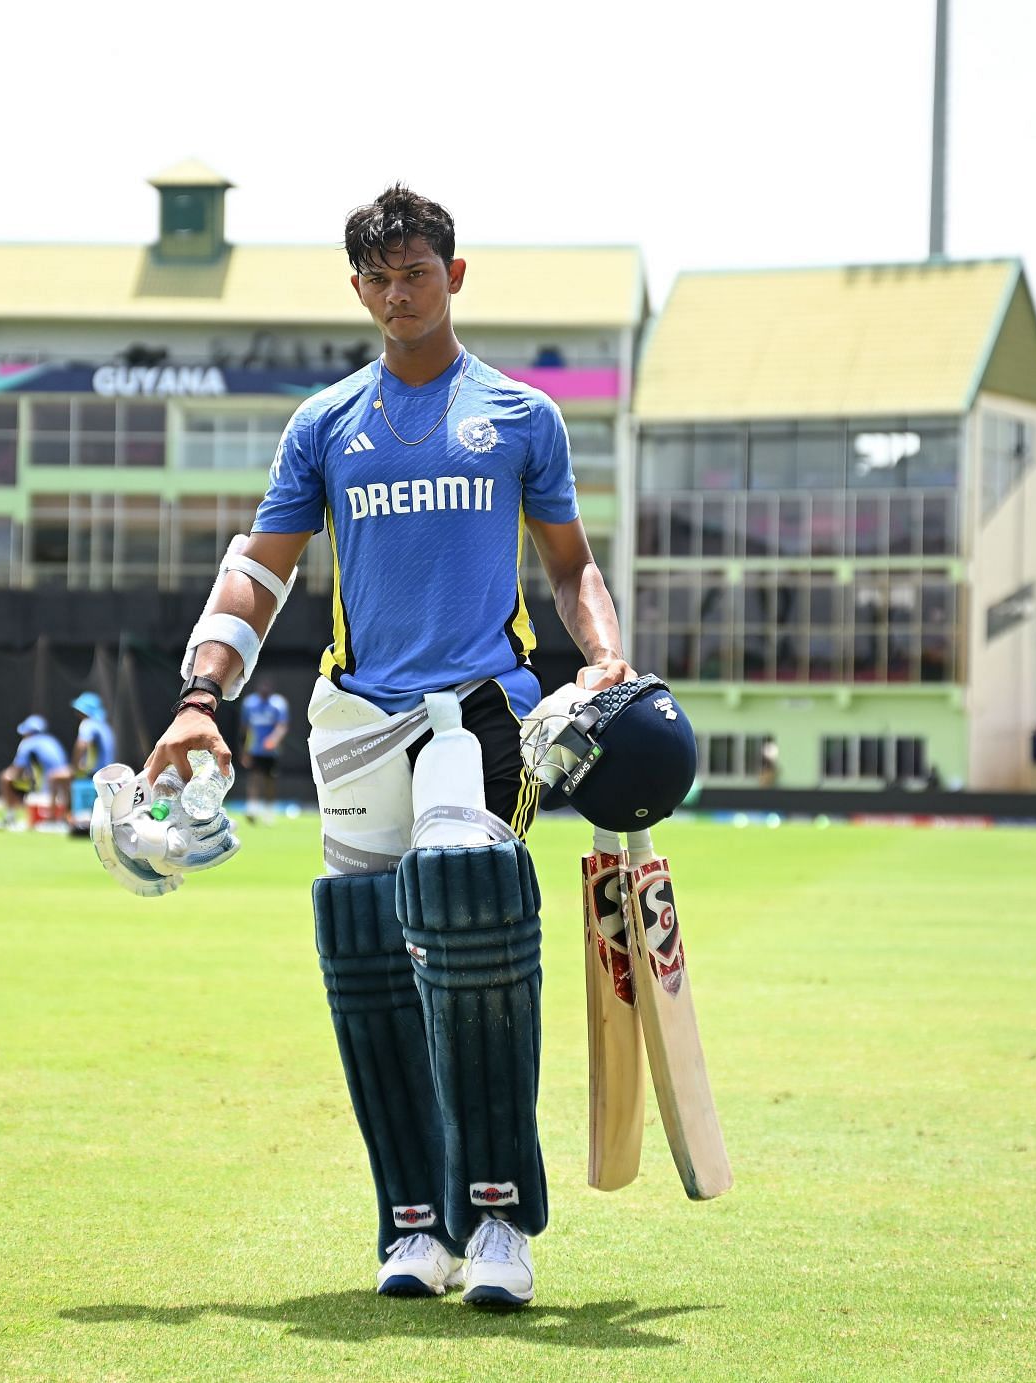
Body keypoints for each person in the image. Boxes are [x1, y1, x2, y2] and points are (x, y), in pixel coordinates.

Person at [137, 185, 638, 1310]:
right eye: (378, 277)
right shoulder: (325, 424)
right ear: (356, 286)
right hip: (354, 719)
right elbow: (259, 572)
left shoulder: (519, 415)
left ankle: (500, 1214)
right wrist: (199, 695)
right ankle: (416, 1222)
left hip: (482, 714)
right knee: (369, 957)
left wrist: (602, 656)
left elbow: (568, 565)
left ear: (455, 277)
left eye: (416, 273)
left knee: (470, 918)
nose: (397, 294)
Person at [0, 714, 72, 828]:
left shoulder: (28, 743)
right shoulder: (52, 740)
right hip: (61, 791)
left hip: (45, 792)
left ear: (29, 732)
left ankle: (10, 816)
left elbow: (17, 771)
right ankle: (60, 818)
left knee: (5, 777)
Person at [238, 679, 290, 822]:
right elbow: (245, 727)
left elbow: (282, 726)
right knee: (254, 778)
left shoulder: (278, 704)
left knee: (270, 780)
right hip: (254, 749)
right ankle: (252, 809)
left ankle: (269, 811)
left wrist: (274, 739)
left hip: (271, 751)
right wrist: (244, 750)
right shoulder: (249, 704)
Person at [68, 691, 116, 834]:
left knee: (60, 778)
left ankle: (54, 819)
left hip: (94, 777)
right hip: (108, 776)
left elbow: (82, 744)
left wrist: (74, 767)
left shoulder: (88, 724)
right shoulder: (104, 726)